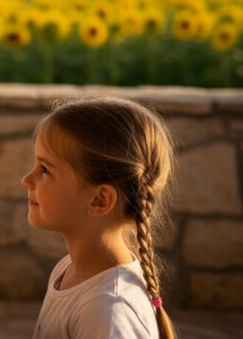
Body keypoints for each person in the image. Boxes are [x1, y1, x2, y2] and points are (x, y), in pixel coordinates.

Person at [21, 96, 176, 338]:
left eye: (45, 170)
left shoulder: (108, 311)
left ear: (100, 200)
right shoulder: (69, 270)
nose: (27, 180)